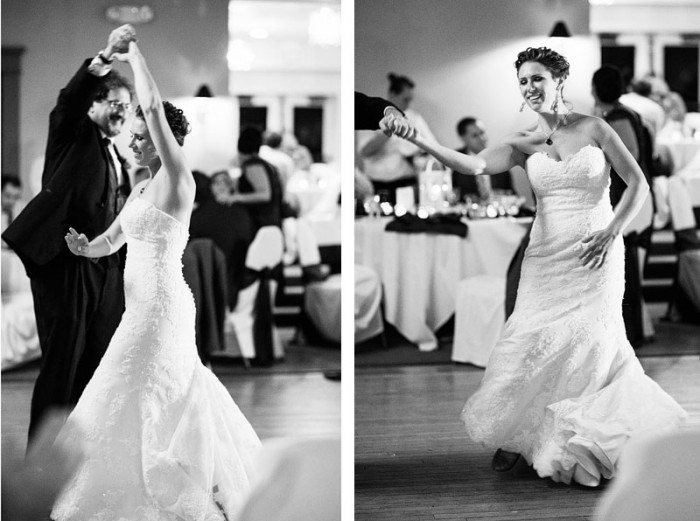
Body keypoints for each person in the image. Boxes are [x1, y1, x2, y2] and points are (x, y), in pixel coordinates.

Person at [388, 46, 687, 486]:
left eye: (537, 79)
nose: (529, 88)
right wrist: (418, 138)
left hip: (596, 254)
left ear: (559, 81)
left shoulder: (595, 128)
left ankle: (580, 435)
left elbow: (638, 183)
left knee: (591, 344)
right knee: (530, 341)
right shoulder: (522, 143)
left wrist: (612, 232)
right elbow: (472, 164)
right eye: (523, 81)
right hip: (545, 258)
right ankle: (521, 433)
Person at [52, 32, 260, 519]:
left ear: (167, 140)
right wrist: (86, 247)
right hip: (138, 305)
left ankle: (166, 480)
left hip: (164, 305)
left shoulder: (178, 180)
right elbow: (113, 240)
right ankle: (128, 479)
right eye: (134, 136)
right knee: (135, 386)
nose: (133, 140)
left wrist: (135, 57)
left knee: (140, 383)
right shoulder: (141, 188)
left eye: (143, 135)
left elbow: (149, 105)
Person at [1, 26, 135, 443]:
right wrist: (106, 57)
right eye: (114, 104)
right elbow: (69, 100)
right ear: (93, 104)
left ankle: (82, 461)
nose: (121, 113)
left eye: (126, 107)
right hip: (66, 268)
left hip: (104, 271)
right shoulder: (71, 133)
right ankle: (41, 465)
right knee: (61, 368)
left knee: (97, 368)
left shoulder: (116, 154)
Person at [356, 73, 437, 203]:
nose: (408, 104)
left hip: (407, 182)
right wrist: (389, 130)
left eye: (410, 100)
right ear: (392, 94)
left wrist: (420, 155)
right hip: (378, 184)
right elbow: (365, 151)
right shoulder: (371, 114)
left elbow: (432, 145)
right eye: (405, 100)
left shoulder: (414, 117)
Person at [190, 170, 256, 309]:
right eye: (217, 182)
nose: (221, 186)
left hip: (232, 272)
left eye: (225, 182)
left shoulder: (241, 211)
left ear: (231, 186)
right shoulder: (204, 213)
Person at [217, 127, 284, 230]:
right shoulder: (266, 165)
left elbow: (265, 194)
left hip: (261, 223)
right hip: (272, 223)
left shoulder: (253, 165)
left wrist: (235, 197)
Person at [452, 117, 514, 201]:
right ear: (463, 138)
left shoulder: (499, 159)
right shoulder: (455, 160)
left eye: (482, 132)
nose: (482, 138)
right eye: (475, 135)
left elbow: (511, 194)